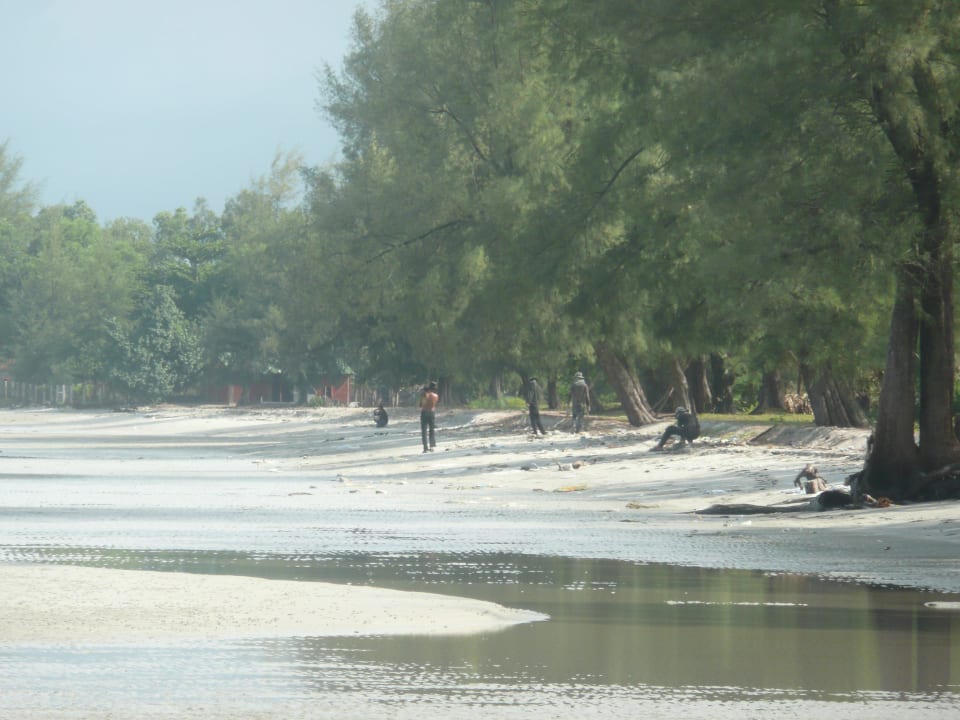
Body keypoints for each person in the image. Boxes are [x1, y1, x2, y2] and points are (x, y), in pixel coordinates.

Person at [419, 381, 439, 452]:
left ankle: (425, 448)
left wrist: (422, 395)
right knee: (431, 430)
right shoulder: (436, 396)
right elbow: (434, 404)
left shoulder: (425, 394)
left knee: (424, 431)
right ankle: (431, 446)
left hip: (424, 412)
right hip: (432, 413)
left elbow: (421, 405)